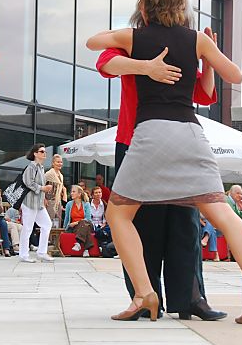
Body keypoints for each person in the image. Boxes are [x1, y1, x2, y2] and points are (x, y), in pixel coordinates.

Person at [86, 0, 242, 325]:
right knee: (222, 215)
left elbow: (94, 42)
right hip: (190, 134)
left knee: (121, 216)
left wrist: (150, 61)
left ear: (144, 1)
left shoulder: (132, 36)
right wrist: (202, 51)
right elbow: (235, 77)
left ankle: (148, 294)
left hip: (149, 136)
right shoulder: (194, 39)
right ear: (181, 1)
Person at [96, 18, 225, 321]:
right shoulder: (131, 40)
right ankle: (144, 296)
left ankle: (191, 298)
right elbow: (105, 64)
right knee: (141, 224)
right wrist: (144, 66)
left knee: (185, 222)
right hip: (135, 139)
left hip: (174, 143)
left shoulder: (180, 45)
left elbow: (203, 94)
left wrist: (208, 58)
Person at [18, 144, 54, 263]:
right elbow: (28, 182)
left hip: (38, 204)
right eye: (42, 151)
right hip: (29, 202)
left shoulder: (41, 167)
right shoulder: (31, 167)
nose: (44, 154)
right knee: (27, 228)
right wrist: (43, 188)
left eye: (45, 152)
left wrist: (43, 195)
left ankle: (41, 252)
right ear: (35, 153)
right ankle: (23, 254)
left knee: (47, 224)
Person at [63, 185, 94, 257]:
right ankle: (86, 250)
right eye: (71, 192)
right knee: (85, 228)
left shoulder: (86, 204)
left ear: (79, 194)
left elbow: (88, 218)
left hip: (87, 224)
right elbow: (67, 218)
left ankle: (78, 243)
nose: (71, 193)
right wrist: (66, 227)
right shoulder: (69, 204)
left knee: (84, 223)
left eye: (73, 192)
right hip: (75, 227)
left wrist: (77, 222)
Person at [44, 154, 67, 228]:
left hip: (58, 202)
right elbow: (41, 186)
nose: (60, 164)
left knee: (57, 223)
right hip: (49, 201)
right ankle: (48, 239)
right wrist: (44, 199)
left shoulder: (61, 175)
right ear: (53, 163)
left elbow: (61, 190)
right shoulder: (48, 174)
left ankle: (56, 240)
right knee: (49, 223)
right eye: (58, 162)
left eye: (61, 162)